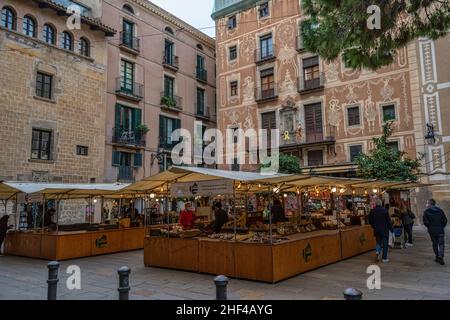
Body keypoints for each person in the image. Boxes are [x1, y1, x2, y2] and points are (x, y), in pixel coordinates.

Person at [423, 199, 447, 265]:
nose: (426, 205)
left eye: (427, 203)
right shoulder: (440, 210)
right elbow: (445, 220)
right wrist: (441, 226)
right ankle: (440, 257)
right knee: (441, 244)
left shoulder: (426, 212)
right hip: (440, 230)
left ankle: (437, 256)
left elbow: (425, 222)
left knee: (435, 244)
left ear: (430, 204)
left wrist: (429, 227)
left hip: (432, 231)